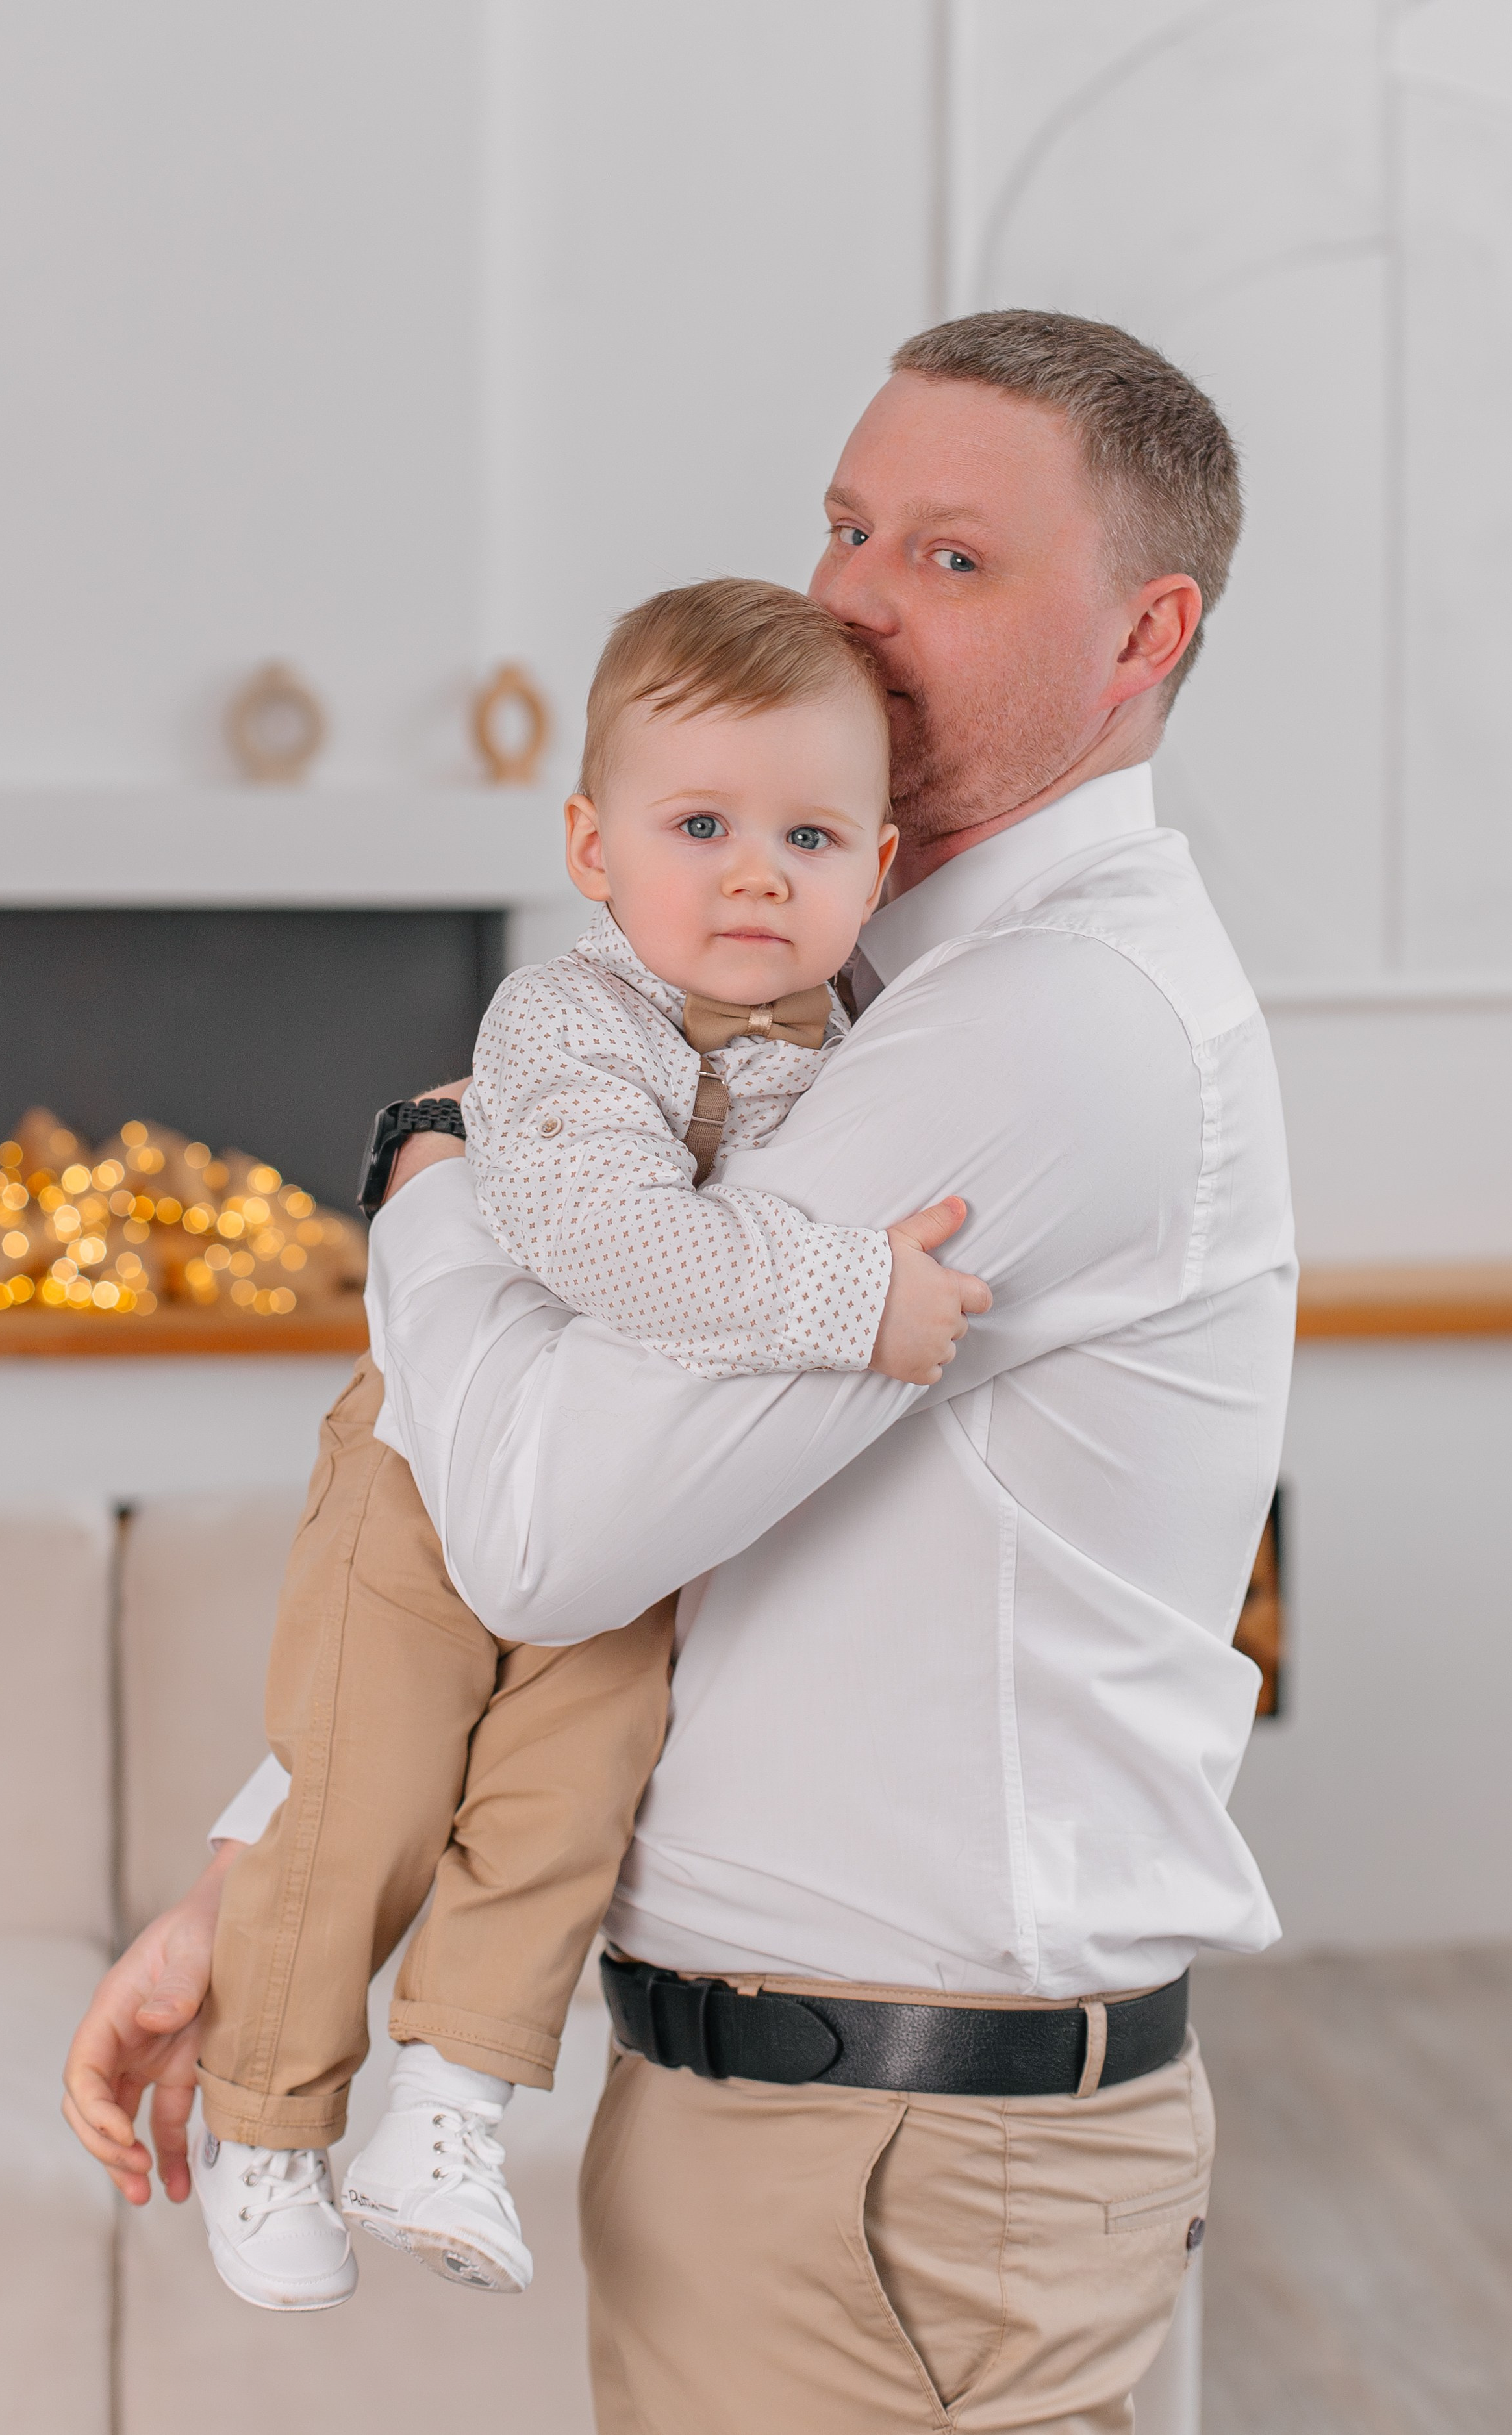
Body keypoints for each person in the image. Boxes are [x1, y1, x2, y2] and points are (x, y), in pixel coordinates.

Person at [65, 309, 1296, 2434]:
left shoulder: (1044, 1027)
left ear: (1142, 632)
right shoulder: (830, 994)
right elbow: (598, 1526)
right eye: (842, 525)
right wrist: (260, 1877)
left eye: (952, 558)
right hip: (796, 2132)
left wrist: (434, 1175)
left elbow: (546, 1533)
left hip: (894, 2166)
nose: (852, 601)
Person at [170, 576, 986, 2312]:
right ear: (592, 846)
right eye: (700, 826)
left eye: (810, 834)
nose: (756, 872)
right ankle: (267, 2124)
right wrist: (850, 1298)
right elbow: (607, 1241)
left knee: (570, 1799)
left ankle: (447, 2104)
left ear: (884, 865)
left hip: (620, 1497)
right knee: (368, 1788)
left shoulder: (856, 1052)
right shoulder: (565, 1019)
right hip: (423, 1466)